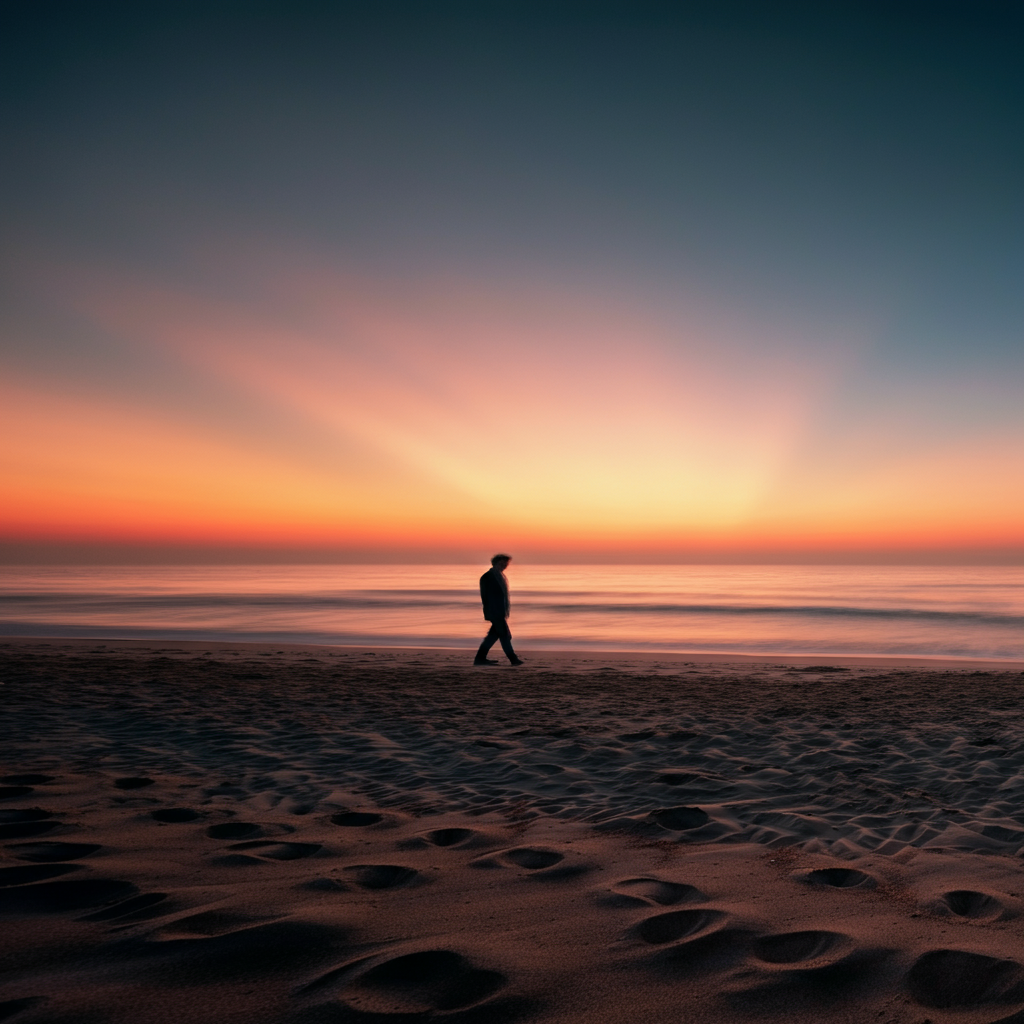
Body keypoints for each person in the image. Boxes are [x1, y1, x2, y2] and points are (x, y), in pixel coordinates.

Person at [474, 554, 524, 666]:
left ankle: (480, 659)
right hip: (494, 611)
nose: (504, 566)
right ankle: (513, 659)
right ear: (495, 563)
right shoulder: (488, 577)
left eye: (506, 564)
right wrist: (495, 612)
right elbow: (487, 597)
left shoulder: (500, 576)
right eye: (502, 563)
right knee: (505, 636)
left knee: (493, 636)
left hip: (499, 611)